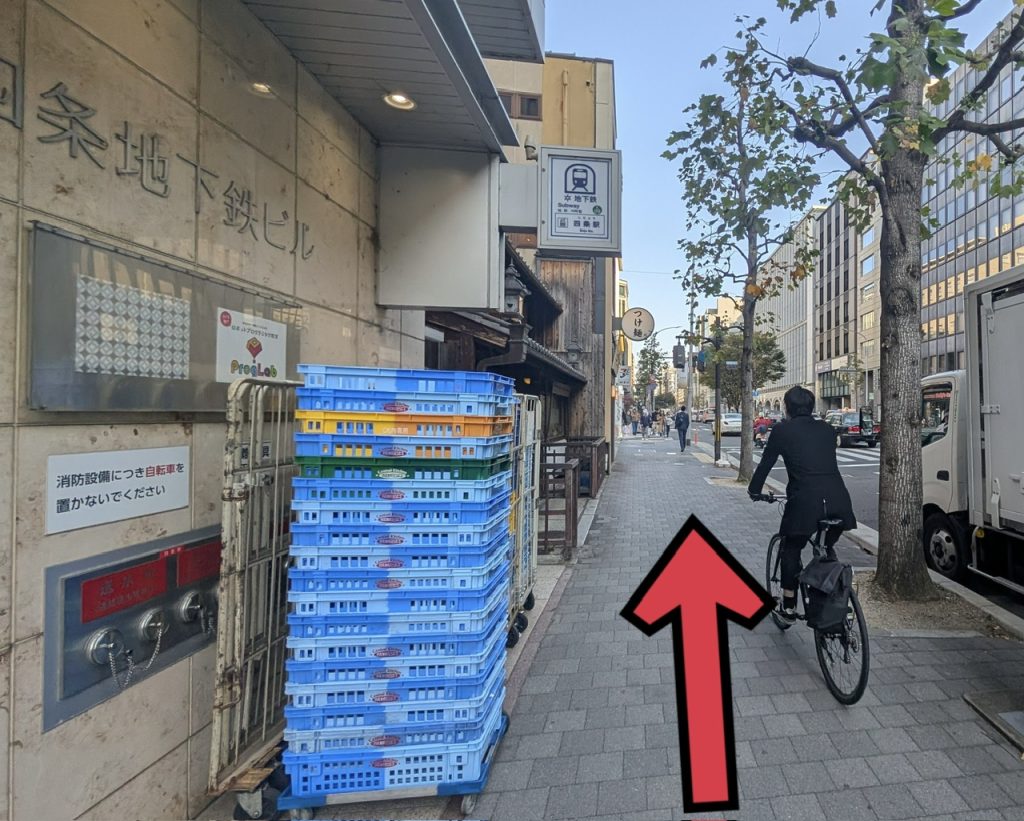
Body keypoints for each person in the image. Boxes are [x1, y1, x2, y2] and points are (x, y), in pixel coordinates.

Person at [747, 386, 856, 623]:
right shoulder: (827, 429)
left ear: (787, 408)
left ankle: (788, 607)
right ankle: (835, 592)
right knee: (826, 547)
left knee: (791, 548)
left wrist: (754, 490)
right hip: (838, 500)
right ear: (811, 406)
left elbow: (765, 464)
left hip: (804, 502)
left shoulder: (782, 430)